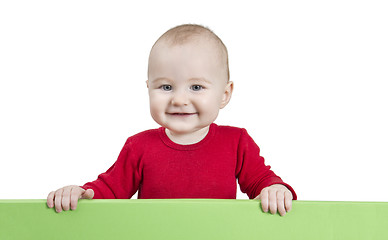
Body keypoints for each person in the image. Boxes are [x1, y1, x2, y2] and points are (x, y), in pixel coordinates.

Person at [47, 24, 297, 216]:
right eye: (166, 87)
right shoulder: (139, 146)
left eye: (196, 87)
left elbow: (262, 181)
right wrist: (80, 193)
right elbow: (109, 190)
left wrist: (275, 190)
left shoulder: (237, 141)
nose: (179, 99)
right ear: (148, 88)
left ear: (224, 94)